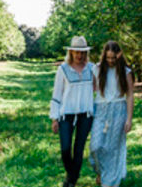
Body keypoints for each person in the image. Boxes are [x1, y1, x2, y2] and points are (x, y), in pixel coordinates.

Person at [50, 36, 95, 187]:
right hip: (66, 115)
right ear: (71, 52)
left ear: (86, 53)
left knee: (79, 149)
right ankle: (72, 175)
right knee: (65, 149)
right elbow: (57, 94)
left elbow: (100, 87)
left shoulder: (92, 68)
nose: (79, 55)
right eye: (76, 52)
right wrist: (54, 118)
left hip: (86, 116)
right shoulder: (63, 69)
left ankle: (70, 182)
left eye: (82, 52)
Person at [89, 41, 134, 187]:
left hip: (118, 110)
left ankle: (110, 181)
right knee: (95, 146)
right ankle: (101, 172)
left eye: (114, 58)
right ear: (104, 56)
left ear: (119, 55)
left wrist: (129, 119)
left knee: (113, 148)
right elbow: (90, 90)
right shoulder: (97, 69)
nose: (111, 61)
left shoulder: (126, 72)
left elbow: (130, 95)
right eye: (108, 58)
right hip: (100, 109)